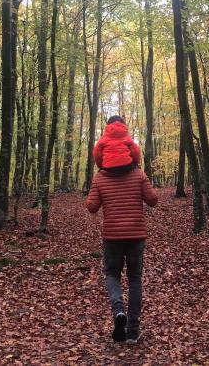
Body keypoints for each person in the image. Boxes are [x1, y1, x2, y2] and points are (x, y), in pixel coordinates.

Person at [85, 129, 158, 344]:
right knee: (135, 278)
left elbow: (91, 207)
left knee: (112, 275)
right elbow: (153, 200)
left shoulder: (100, 177)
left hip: (112, 236)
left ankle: (119, 312)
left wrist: (95, 192)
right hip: (136, 235)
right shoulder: (138, 174)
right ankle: (133, 332)